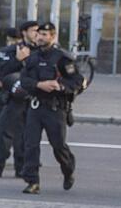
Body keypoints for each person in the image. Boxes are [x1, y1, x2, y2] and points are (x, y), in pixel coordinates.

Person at [19, 21, 80, 194]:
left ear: (52, 37)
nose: (40, 38)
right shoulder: (32, 58)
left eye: (45, 35)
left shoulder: (62, 58)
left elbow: (76, 81)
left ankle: (68, 169)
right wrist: (39, 84)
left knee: (58, 145)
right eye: (38, 34)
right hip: (36, 105)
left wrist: (60, 87)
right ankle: (32, 181)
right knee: (30, 144)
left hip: (55, 108)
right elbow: (24, 81)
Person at [0, 25, 26, 177]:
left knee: (3, 132)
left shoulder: (1, 52)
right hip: (15, 97)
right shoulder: (17, 54)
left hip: (7, 97)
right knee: (18, 133)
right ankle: (17, 167)